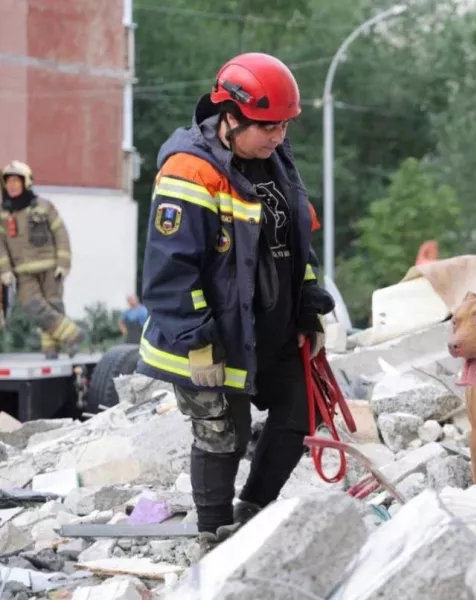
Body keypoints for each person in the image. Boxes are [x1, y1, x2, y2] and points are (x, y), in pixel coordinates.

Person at [135, 52, 335, 550]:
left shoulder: (275, 160)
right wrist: (196, 342)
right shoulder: (190, 172)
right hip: (211, 336)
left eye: (284, 127)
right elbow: (168, 274)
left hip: (271, 329)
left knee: (299, 415)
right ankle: (213, 539)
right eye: (267, 127)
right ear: (230, 117)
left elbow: (294, 244)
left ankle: (251, 515)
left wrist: (308, 304)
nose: (278, 138)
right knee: (223, 431)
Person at [0, 161, 85, 358]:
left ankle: (51, 348)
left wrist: (64, 264)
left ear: (26, 182)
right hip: (22, 272)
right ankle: (72, 334)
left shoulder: (45, 206)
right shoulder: (3, 214)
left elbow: (61, 234)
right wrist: (4, 270)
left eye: (16, 181)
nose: (11, 185)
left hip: (50, 268)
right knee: (33, 307)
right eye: (8, 181)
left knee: (54, 305)